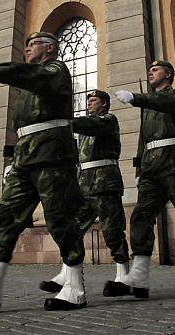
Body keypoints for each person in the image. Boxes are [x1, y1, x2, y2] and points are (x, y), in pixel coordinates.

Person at [0, 32, 86, 311]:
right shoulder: (26, 90)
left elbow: (33, 77)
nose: (27, 49)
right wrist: (12, 161)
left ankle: (74, 288)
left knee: (60, 218)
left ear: (49, 48)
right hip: (26, 158)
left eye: (32, 44)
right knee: (5, 216)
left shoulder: (56, 71)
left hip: (52, 156)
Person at [106, 60, 175, 299]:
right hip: (152, 169)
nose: (151, 72)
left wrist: (137, 97)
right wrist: (140, 168)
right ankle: (139, 277)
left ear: (169, 74)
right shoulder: (148, 106)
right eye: (150, 70)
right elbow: (144, 138)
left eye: (156, 69)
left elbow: (169, 103)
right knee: (141, 217)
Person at [38, 89, 129, 296]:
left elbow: (91, 125)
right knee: (72, 230)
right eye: (88, 101)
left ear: (104, 104)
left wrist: (64, 121)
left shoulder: (108, 121)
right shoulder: (84, 129)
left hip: (105, 184)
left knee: (112, 230)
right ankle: (66, 274)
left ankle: (124, 276)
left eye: (94, 100)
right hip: (84, 186)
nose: (89, 104)